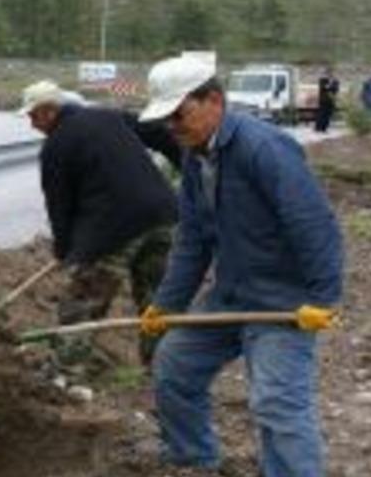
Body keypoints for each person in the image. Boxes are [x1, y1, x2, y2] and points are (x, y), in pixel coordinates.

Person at [138, 56, 343, 477]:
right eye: (166, 118)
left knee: (277, 402)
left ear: (213, 100)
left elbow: (312, 222)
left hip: (283, 303)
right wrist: (166, 305)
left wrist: (324, 297)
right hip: (231, 295)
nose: (172, 126)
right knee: (174, 365)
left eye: (179, 114)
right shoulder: (196, 157)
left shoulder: (263, 147)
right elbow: (193, 240)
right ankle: (194, 459)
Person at [19, 79, 181, 365]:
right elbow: (157, 132)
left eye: (33, 116)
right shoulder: (107, 115)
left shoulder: (55, 147)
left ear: (49, 111)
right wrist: (184, 162)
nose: (32, 124)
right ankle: (162, 365)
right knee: (156, 297)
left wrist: (64, 249)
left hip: (113, 230)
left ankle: (66, 369)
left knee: (83, 302)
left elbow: (60, 207)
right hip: (161, 215)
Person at [314, 66, 340, 132]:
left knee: (328, 114)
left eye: (331, 73)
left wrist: (331, 86)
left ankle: (324, 128)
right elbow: (324, 88)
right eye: (328, 73)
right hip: (323, 100)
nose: (330, 74)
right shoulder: (322, 80)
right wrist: (330, 85)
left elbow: (336, 89)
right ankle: (318, 127)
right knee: (321, 113)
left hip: (331, 100)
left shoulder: (335, 80)